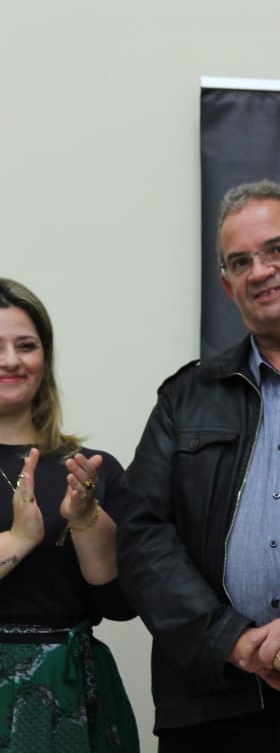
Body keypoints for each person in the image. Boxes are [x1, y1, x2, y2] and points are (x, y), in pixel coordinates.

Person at [115, 182, 280, 752]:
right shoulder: (185, 397)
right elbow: (142, 536)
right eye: (240, 262)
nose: (260, 271)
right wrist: (230, 640)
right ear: (227, 284)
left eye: (278, 249)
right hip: (214, 704)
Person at [0, 277, 139, 753]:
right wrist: (20, 539)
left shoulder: (90, 469)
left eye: (26, 346)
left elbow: (119, 605)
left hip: (68, 695)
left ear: (46, 358)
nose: (11, 361)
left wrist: (84, 519)